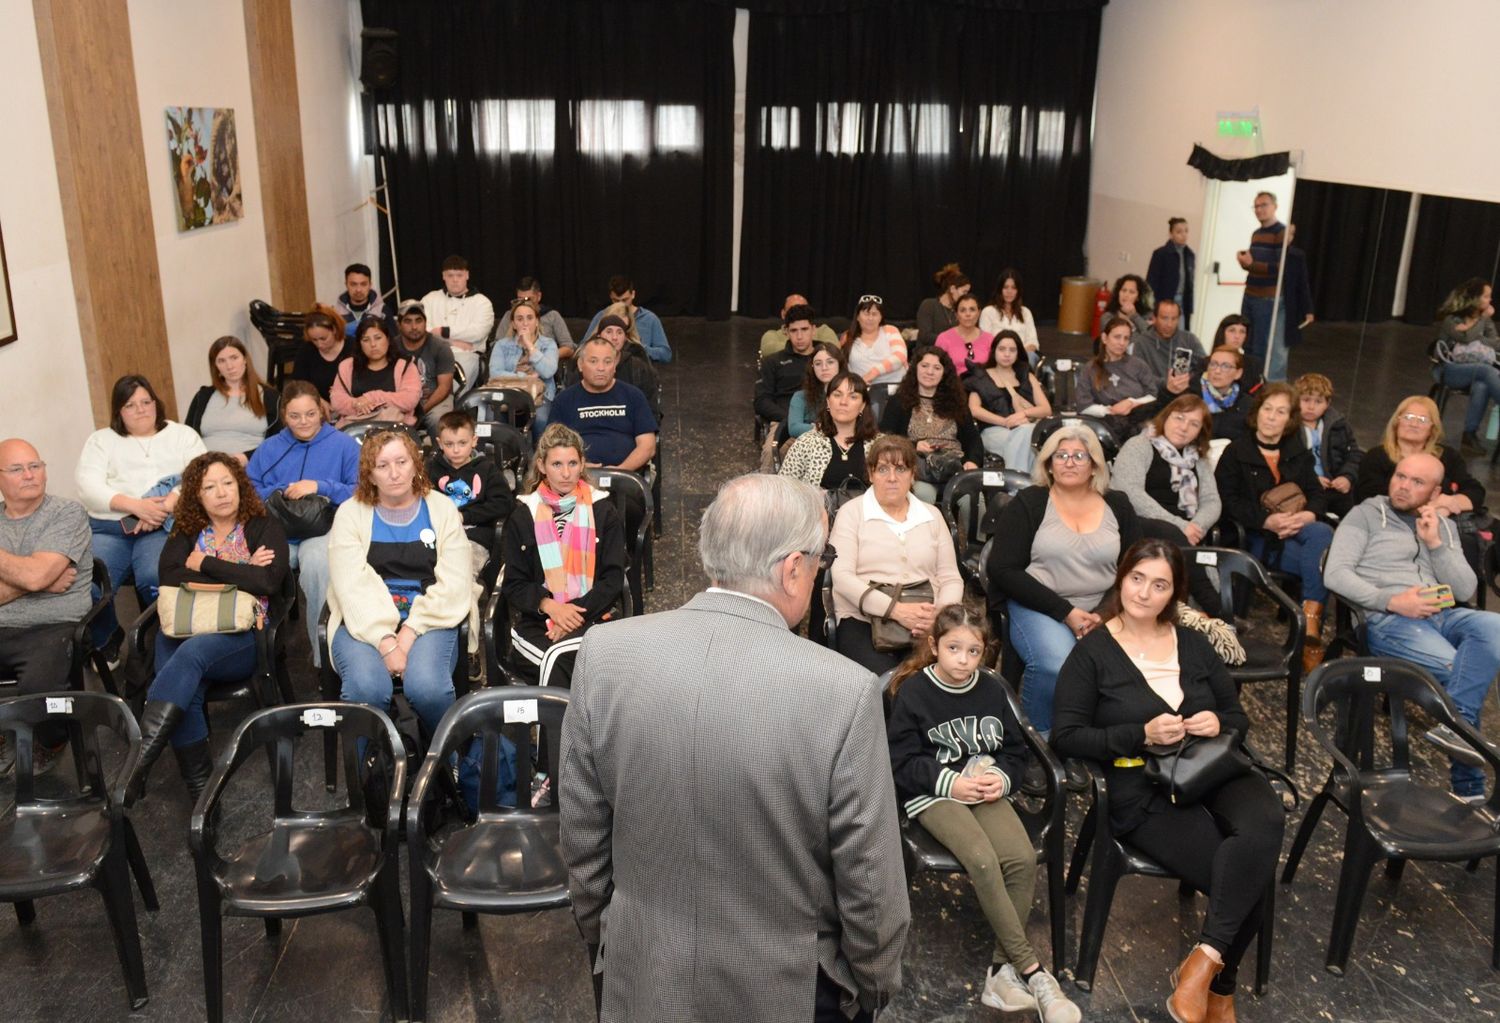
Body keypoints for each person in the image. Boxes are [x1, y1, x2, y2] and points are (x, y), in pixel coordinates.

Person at [560, 473, 909, 1022]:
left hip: (644, 972)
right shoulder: (845, 692)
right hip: (786, 990)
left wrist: (609, 934)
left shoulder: (605, 653)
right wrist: (871, 988)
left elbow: (583, 836)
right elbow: (871, 887)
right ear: (793, 568)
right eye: (823, 557)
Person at [1052, 539, 1282, 1023]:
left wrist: (1220, 724)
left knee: (1266, 820)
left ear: (1174, 592)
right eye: (1137, 579)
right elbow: (1066, 737)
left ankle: (1202, 967)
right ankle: (1222, 989)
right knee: (1248, 879)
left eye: (1160, 585)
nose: (1144, 593)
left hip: (1211, 768)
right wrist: (1139, 733)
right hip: (1144, 788)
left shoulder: (1193, 643)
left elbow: (1236, 716)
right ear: (1121, 577)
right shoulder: (1093, 652)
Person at [886, 605, 1080, 1022]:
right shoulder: (915, 692)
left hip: (984, 790)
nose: (962, 659)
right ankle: (1032, 969)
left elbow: (1014, 751)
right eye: (953, 648)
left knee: (1023, 859)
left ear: (984, 653)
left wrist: (1003, 781)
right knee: (981, 860)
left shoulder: (992, 690)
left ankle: (999, 973)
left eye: (973, 651)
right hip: (934, 795)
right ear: (934, 645)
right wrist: (949, 783)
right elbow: (900, 762)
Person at [1324, 451, 1500, 801]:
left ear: (1435, 493)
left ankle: (1456, 731)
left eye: (1416, 482)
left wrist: (1436, 544)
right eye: (1400, 476)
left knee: (1493, 625)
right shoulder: (1366, 515)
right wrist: (1391, 601)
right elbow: (1335, 573)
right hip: (1390, 619)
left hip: (1442, 613)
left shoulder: (1442, 525)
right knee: (1458, 669)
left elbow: (1465, 590)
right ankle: (1469, 789)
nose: (1403, 486)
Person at [127, 452, 288, 804]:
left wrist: (205, 563)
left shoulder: (263, 524)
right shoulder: (187, 530)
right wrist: (242, 568)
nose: (221, 493)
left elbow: (269, 581)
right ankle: (202, 793)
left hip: (243, 636)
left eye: (228, 483)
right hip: (188, 626)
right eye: (209, 487)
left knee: (188, 654)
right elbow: (169, 574)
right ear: (196, 496)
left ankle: (136, 762)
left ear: (240, 486)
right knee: (183, 670)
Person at [985, 423, 1141, 734]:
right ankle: (1040, 738)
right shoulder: (1030, 502)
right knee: (1058, 665)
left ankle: (1089, 736)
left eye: (1079, 456)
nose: (1069, 462)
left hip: (1103, 607)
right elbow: (1002, 569)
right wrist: (1065, 612)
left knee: (1121, 667)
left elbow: (1133, 566)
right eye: (1061, 455)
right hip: (1039, 604)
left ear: (1095, 465)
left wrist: (1105, 613)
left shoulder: (1118, 503)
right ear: (1049, 464)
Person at [326, 429, 475, 738]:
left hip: (429, 618)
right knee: (364, 690)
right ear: (369, 473)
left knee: (428, 688)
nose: (394, 473)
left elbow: (456, 580)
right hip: (364, 622)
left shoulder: (441, 508)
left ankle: (448, 767)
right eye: (382, 465)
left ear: (415, 464)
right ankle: (369, 779)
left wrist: (406, 635)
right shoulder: (350, 514)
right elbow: (351, 585)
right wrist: (385, 641)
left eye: (401, 462)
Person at [75, 375, 207, 642]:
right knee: (88, 582)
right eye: (130, 405)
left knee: (154, 577)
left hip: (162, 527)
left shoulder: (182, 435)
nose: (141, 410)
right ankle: (108, 637)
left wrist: (168, 504)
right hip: (112, 529)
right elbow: (87, 486)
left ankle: (162, 639)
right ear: (118, 411)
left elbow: (202, 474)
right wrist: (135, 506)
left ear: (156, 402)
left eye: (146, 401)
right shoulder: (102, 440)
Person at [1214, 383, 1332, 671]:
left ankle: (1308, 626)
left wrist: (1307, 516)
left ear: (1289, 418)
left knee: (1321, 532)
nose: (1271, 417)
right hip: (1255, 536)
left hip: (1296, 530)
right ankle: (1309, 627)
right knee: (1320, 557)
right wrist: (1266, 520)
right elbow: (1227, 501)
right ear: (1257, 413)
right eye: (1267, 409)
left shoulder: (1297, 452)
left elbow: (1316, 494)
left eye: (1280, 412)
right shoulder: (1236, 451)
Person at [499, 423, 625, 686]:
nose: (566, 473)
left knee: (565, 659)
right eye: (557, 464)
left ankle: (556, 727)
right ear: (542, 466)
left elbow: (612, 579)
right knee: (561, 660)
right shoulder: (523, 514)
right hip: (537, 621)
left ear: (582, 464)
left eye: (572, 463)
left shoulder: (603, 511)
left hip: (593, 616)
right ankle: (575, 727)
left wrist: (570, 615)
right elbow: (515, 583)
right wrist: (552, 607)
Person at [246, 380, 359, 666]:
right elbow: (247, 489)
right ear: (284, 414)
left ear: (321, 411)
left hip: (325, 525)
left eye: (310, 414)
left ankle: (325, 658)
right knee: (265, 563)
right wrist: (281, 490)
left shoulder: (343, 445)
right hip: (280, 527)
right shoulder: (270, 448)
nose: (303, 422)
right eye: (295, 416)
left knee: (318, 563)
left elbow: (361, 490)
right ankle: (258, 652)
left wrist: (320, 486)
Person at [828, 435, 963, 673]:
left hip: (927, 621)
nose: (892, 478)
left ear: (913, 475)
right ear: (870, 474)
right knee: (888, 687)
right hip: (864, 620)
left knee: (942, 680)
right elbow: (842, 577)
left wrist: (939, 617)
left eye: (901, 469)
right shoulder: (851, 513)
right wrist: (897, 611)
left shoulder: (932, 515)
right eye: (882, 469)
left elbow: (951, 577)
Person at [0, 438, 94, 775]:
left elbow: (39, 575)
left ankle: (51, 742)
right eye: (17, 469)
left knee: (39, 689)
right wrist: (33, 580)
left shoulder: (66, 513)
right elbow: (38, 578)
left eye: (35, 466)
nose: (29, 475)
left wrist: (37, 576)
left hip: (53, 624)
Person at [1111, 396, 1225, 617]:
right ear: (1166, 417)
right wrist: (1180, 525)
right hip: (1140, 526)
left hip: (1187, 532)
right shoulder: (1139, 445)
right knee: (1170, 533)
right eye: (1179, 418)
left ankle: (1201, 620)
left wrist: (1196, 526)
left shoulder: (1197, 458)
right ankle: (1218, 611)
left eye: (1193, 424)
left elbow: (1212, 500)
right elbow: (1130, 493)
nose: (1184, 428)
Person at [878, 347, 981, 502]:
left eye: (937, 367)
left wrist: (972, 461)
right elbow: (885, 440)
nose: (930, 372)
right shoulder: (898, 401)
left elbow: (973, 439)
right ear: (915, 369)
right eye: (924, 366)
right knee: (923, 495)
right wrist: (913, 445)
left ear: (944, 373)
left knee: (973, 501)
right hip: (918, 471)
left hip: (954, 469)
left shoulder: (956, 402)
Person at [1354, 395, 1485, 513]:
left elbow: (1475, 492)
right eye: (1408, 417)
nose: (1414, 424)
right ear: (1397, 422)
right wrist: (1433, 507)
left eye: (1422, 420)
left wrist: (1449, 504)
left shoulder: (1448, 456)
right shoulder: (1376, 457)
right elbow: (1369, 500)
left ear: (1432, 429)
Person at [549, 337, 658, 476]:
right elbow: (551, 446)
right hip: (575, 479)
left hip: (627, 478)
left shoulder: (634, 396)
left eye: (607, 362)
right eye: (593, 361)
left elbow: (648, 446)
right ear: (580, 364)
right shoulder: (564, 400)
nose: (601, 368)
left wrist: (620, 472)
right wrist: (578, 467)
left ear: (614, 365)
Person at [426, 410, 514, 580]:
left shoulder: (486, 470)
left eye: (462, 443)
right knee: (426, 569)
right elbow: (423, 499)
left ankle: (465, 605)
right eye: (449, 444)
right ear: (439, 443)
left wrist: (466, 516)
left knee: (462, 573)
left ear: (474, 441)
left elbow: (504, 503)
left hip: (475, 536)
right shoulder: (432, 468)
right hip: (438, 535)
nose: (456, 450)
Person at [183, 336, 280, 463]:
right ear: (215, 366)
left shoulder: (270, 396)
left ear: (245, 359)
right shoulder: (203, 396)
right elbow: (187, 437)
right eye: (221, 361)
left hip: (250, 466)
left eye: (234, 358)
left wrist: (247, 457)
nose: (229, 366)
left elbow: (279, 441)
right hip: (207, 467)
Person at [966, 330, 1051, 474]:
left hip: (1024, 429)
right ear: (994, 351)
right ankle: (1025, 487)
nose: (1007, 354)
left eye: (1012, 350)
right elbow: (974, 409)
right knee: (1029, 439)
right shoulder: (981, 375)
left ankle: (1017, 487)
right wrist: (1005, 421)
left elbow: (1046, 409)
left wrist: (1023, 414)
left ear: (1018, 353)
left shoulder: (1026, 375)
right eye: (1002, 349)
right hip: (993, 431)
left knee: (1026, 434)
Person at [780, 371, 878, 493]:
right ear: (827, 401)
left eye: (853, 397)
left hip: (867, 511)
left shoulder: (879, 445)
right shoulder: (806, 442)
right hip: (818, 510)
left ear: (863, 405)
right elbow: (783, 491)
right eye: (837, 395)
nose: (843, 402)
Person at [1433, 277, 1500, 455]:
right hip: (1450, 370)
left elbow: (1496, 343)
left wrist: (1477, 331)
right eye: (1486, 296)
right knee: (1486, 371)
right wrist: (1480, 324)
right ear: (1474, 298)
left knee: (1483, 384)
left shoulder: (1484, 320)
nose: (1490, 300)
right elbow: (1465, 338)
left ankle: (1469, 434)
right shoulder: (1452, 319)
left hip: (1476, 371)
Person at [558, 312, 664, 423]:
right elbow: (570, 400)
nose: (614, 337)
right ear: (599, 336)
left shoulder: (638, 367)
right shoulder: (584, 364)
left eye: (619, 333)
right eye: (609, 332)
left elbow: (651, 408)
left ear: (625, 338)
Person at [330, 315, 423, 426]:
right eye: (366, 340)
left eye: (378, 338)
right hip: (355, 427)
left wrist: (371, 398)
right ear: (360, 344)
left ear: (388, 339)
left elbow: (409, 400)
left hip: (395, 428)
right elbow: (337, 401)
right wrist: (357, 403)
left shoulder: (405, 365)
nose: (373, 345)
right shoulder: (348, 366)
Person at [1077, 315, 1158, 438]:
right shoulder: (1089, 369)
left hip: (1138, 422)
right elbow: (1083, 407)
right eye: (1117, 337)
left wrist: (1131, 402)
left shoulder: (1138, 365)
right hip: (1104, 426)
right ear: (1104, 338)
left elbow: (1153, 396)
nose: (1122, 343)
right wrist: (1111, 410)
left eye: (1126, 338)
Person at [1237, 191, 1289, 382]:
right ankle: (1247, 381)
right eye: (1256, 206)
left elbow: (1280, 268)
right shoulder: (1257, 234)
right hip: (1250, 293)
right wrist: (1245, 263)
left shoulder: (1281, 233)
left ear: (1275, 206)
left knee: (1260, 346)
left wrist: (1251, 265)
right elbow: (1255, 265)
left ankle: (1255, 385)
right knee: (1247, 342)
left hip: (1267, 298)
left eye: (1263, 205)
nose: (1259, 210)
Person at [1294, 372, 1361, 518]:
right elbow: (1289, 462)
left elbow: (1354, 454)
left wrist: (1346, 477)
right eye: (1305, 400)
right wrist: (1311, 478)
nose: (1311, 407)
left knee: (1352, 517)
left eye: (1318, 402)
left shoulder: (1339, 425)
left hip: (1334, 485)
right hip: (1304, 487)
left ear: (1327, 404)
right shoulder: (1289, 427)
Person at [419, 254, 492, 386]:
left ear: (467, 275)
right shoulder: (429, 299)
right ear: (443, 276)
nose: (455, 280)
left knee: (451, 389)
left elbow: (477, 333)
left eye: (459, 275)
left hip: (466, 356)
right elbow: (421, 331)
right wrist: (452, 342)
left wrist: (442, 331)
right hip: (432, 354)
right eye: (450, 275)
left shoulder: (482, 302)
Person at [488, 297, 560, 428]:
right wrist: (525, 378)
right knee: (492, 418)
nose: (525, 323)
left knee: (541, 420)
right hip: (508, 395)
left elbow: (548, 371)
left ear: (537, 321)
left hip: (539, 396)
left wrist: (529, 346)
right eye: (520, 319)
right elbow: (495, 373)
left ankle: (539, 449)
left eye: (530, 318)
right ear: (514, 324)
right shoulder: (502, 345)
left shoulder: (548, 344)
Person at [1163, 345, 1254, 446]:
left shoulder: (1247, 404)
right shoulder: (1189, 395)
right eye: (1213, 364)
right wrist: (1169, 393)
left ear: (1238, 373)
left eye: (1226, 366)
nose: (1217, 371)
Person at [392, 299, 458, 436]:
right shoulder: (391, 348)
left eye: (418, 320)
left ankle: (441, 456)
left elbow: (444, 388)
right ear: (399, 325)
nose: (414, 326)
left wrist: (421, 410)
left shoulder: (440, 347)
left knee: (439, 420)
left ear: (425, 322)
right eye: (408, 321)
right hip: (401, 401)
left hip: (435, 400)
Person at [755, 302, 819, 429]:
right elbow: (761, 401)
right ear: (786, 332)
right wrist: (791, 419)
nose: (799, 336)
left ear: (813, 330)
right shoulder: (772, 362)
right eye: (794, 331)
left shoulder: (828, 358)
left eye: (804, 329)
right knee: (771, 449)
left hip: (823, 423)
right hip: (784, 422)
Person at [583, 275, 671, 363]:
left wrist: (639, 348)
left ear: (633, 294)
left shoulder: (649, 318)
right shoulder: (602, 315)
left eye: (625, 300)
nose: (621, 304)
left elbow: (666, 354)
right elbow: (582, 348)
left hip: (636, 368)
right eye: (616, 301)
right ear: (610, 296)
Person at [1130, 299, 1204, 391]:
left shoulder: (1189, 339)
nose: (1169, 324)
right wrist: (1166, 383)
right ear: (1154, 318)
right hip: (1155, 393)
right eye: (1164, 318)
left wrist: (1187, 379)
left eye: (1174, 319)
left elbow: (1205, 365)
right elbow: (1139, 374)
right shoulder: (1142, 341)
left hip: (1185, 393)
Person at [290, 305, 353, 412]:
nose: (319, 344)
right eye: (314, 340)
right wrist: (317, 400)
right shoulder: (307, 350)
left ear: (334, 330)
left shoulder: (353, 347)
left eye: (323, 338)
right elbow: (299, 384)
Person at [495, 276, 574, 355]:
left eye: (529, 299)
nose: (525, 303)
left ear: (538, 296)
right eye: (520, 300)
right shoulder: (509, 316)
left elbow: (569, 348)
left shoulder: (552, 316)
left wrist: (544, 357)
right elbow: (497, 345)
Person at [841, 295, 908, 387]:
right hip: (861, 390)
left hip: (895, 386)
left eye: (875, 314)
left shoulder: (890, 330)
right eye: (866, 313)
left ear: (880, 318)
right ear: (857, 316)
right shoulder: (847, 337)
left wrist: (873, 373)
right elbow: (839, 363)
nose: (870, 318)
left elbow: (900, 357)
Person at [786, 342, 845, 440]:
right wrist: (825, 428)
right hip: (809, 447)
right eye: (818, 363)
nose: (824, 368)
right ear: (812, 368)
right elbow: (794, 428)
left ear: (840, 364)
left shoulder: (853, 394)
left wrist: (814, 427)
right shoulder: (800, 397)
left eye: (830, 362)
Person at [978, 269, 1039, 363]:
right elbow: (985, 343)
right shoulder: (988, 312)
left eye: (1013, 288)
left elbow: (1033, 342)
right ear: (999, 289)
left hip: (1022, 358)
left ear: (1018, 291)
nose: (1009, 291)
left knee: (1031, 356)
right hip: (997, 359)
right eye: (1005, 287)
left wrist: (1016, 356)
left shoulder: (1026, 312)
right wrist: (1006, 355)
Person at [1146, 217, 1196, 330]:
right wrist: (1152, 306)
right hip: (1165, 299)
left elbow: (1190, 283)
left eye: (1186, 231)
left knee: (1181, 333)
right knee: (1162, 331)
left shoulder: (1190, 255)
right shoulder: (1161, 253)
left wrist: (1190, 307)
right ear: (1171, 234)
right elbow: (1151, 282)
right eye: (1179, 232)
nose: (1184, 235)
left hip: (1182, 301)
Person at [758, 292, 840, 359]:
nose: (798, 314)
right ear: (783, 314)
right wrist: (808, 346)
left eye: (803, 310)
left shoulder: (823, 330)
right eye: (792, 310)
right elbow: (767, 350)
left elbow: (833, 349)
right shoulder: (772, 335)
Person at [933, 293, 993, 376]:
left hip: (982, 385)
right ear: (956, 315)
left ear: (979, 313)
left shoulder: (989, 339)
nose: (968, 314)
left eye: (972, 309)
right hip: (953, 385)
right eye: (963, 310)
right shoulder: (943, 338)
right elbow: (936, 368)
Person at [916, 263, 971, 348]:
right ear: (952, 289)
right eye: (964, 292)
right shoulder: (929, 305)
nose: (966, 296)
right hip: (928, 353)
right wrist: (951, 340)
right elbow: (925, 336)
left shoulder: (959, 311)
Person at [1208, 313, 1263, 392]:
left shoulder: (1253, 364)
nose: (1237, 336)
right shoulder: (1206, 362)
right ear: (1222, 333)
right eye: (1232, 330)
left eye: (1242, 332)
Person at [331, 262, 384, 335]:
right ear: (346, 284)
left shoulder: (383, 311)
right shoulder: (334, 313)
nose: (358, 289)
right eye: (353, 284)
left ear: (370, 285)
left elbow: (392, 341)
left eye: (363, 284)